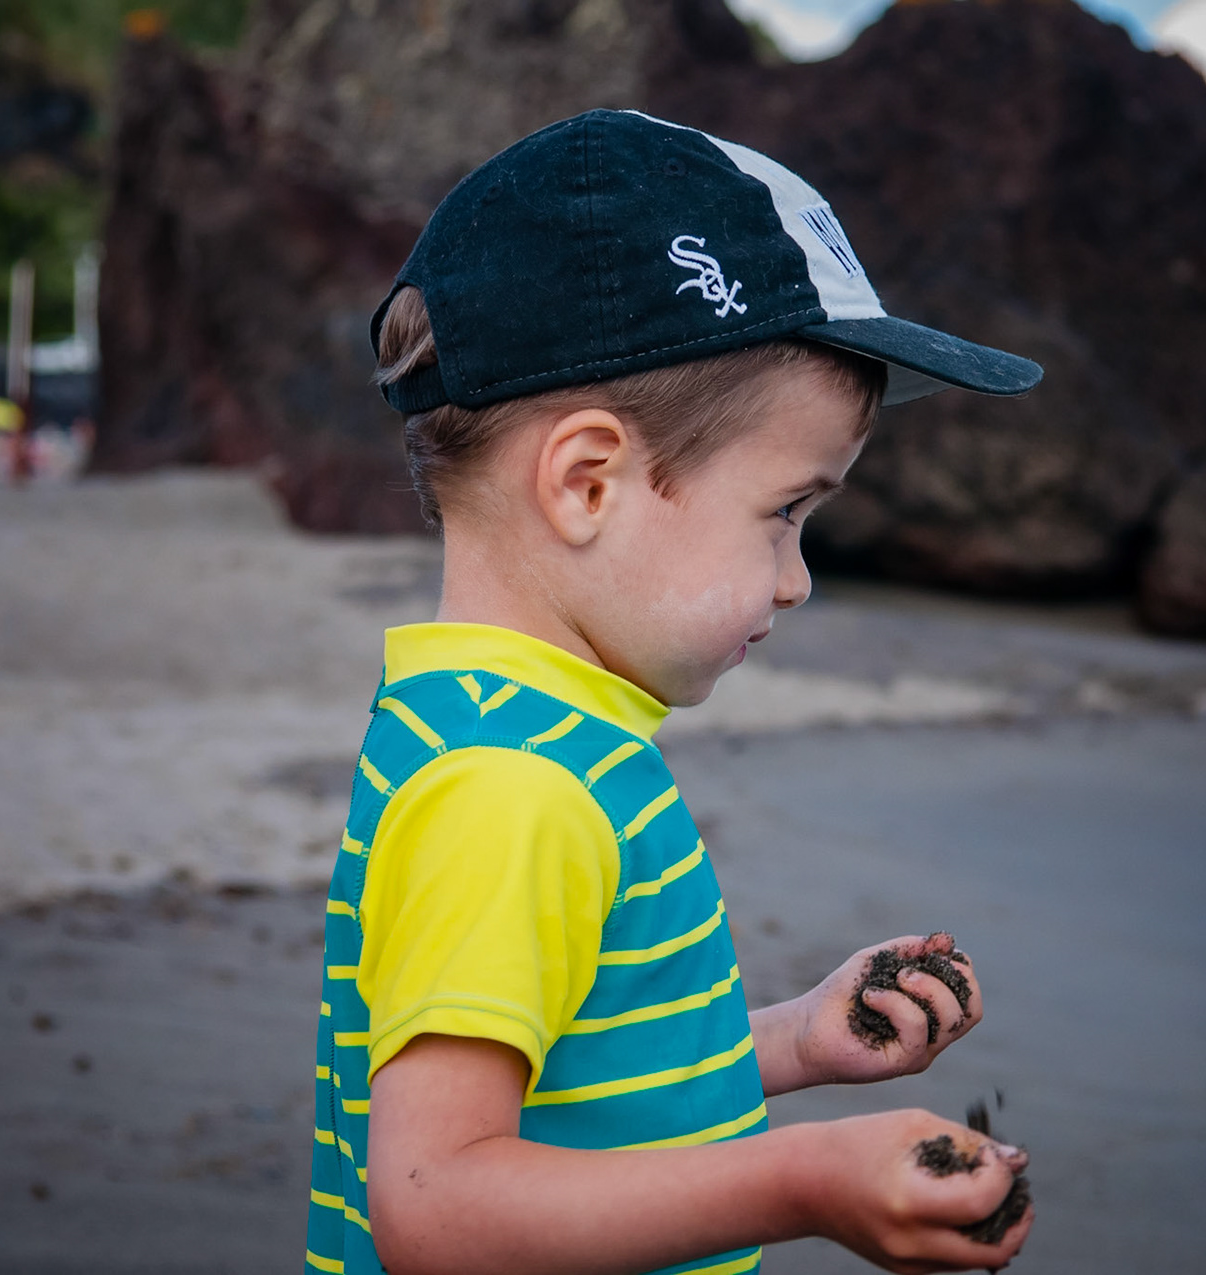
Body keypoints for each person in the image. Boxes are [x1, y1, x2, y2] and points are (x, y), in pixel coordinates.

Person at [308, 110, 1044, 1275]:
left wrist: (797, 1041)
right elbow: (435, 1206)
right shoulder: (508, 790)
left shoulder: (522, 735)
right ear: (590, 482)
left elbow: (588, 1084)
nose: (797, 582)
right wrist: (803, 1179)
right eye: (787, 515)